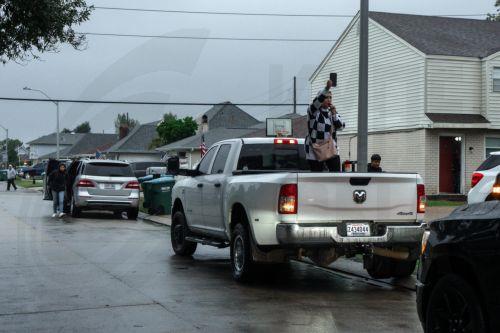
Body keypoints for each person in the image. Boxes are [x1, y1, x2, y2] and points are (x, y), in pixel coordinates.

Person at [305, 79, 345, 172]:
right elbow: (316, 103)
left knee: (335, 173)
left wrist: (334, 114)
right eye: (326, 97)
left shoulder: (332, 112)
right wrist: (327, 88)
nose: (329, 100)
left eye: (330, 97)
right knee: (317, 175)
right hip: (314, 148)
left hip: (330, 147)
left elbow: (341, 126)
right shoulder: (313, 112)